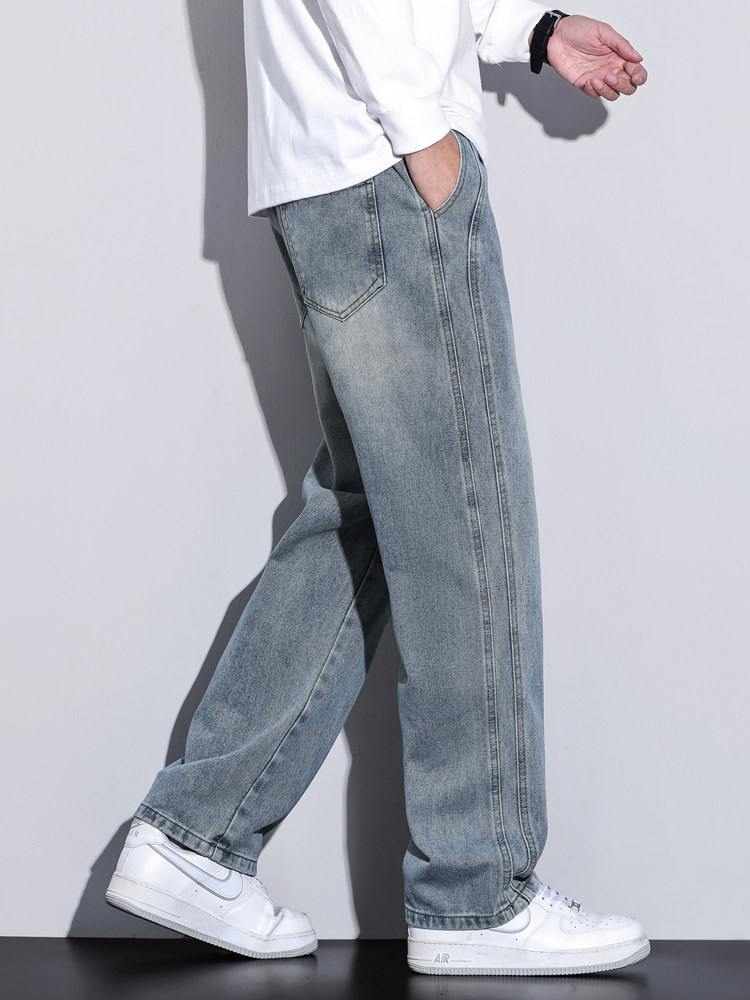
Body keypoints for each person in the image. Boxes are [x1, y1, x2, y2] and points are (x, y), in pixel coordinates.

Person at [105, 1, 650, 976]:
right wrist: (421, 132)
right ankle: (476, 888)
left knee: (372, 512)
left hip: (334, 168)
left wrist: (530, 30)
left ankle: (197, 835)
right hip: (385, 162)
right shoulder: (403, 142)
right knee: (469, 519)